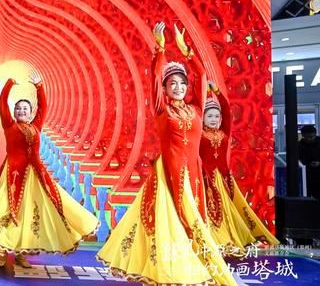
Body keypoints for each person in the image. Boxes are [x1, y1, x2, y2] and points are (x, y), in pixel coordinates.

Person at [97, 22, 236, 285]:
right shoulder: (162, 109)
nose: (179, 87)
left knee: (193, 221)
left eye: (182, 83)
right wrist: (160, 47)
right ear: (165, 88)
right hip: (168, 173)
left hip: (193, 173)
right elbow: (154, 75)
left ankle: (191, 267)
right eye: (173, 83)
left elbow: (202, 77)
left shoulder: (196, 109)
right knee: (168, 221)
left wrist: (187, 52)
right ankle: (166, 270)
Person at [0, 71, 99, 268]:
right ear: (14, 112)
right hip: (12, 175)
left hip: (34, 176)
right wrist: (9, 84)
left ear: (31, 113)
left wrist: (39, 86)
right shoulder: (9, 125)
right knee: (5, 212)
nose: (21, 111)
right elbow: (2, 103)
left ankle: (21, 254)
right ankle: (1, 251)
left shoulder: (36, 126)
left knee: (29, 214)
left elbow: (43, 107)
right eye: (18, 108)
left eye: (25, 108)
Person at [200, 83, 278, 253]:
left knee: (226, 211)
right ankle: (212, 240)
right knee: (209, 210)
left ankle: (228, 238)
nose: (213, 119)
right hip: (205, 178)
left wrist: (217, 92)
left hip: (223, 178)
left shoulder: (224, 132)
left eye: (216, 116)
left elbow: (227, 111)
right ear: (202, 117)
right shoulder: (199, 134)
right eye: (209, 116)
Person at [299, 125, 320, 199]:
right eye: (306, 137)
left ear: (315, 134)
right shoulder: (299, 146)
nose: (309, 139)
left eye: (311, 137)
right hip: (306, 176)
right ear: (303, 136)